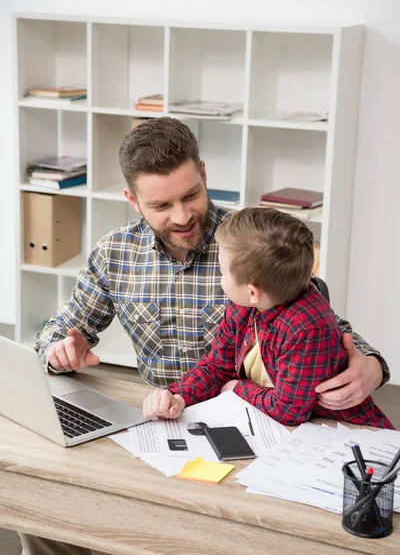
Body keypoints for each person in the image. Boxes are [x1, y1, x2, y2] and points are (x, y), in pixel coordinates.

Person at [21, 118, 390, 555]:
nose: (181, 217)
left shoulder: (249, 243)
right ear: (132, 200)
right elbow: (58, 328)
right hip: (165, 416)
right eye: (161, 205)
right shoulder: (115, 253)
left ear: (204, 174)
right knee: (42, 507)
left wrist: (371, 364)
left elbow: (326, 325)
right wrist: (60, 347)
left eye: (191, 195)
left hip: (258, 431)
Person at [143, 207, 393, 429]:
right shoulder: (243, 307)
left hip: (345, 434)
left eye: (221, 271)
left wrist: (237, 389)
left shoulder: (307, 328)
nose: (220, 279)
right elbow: (217, 366)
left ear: (253, 292)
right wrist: (179, 395)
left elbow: (289, 410)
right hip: (274, 425)